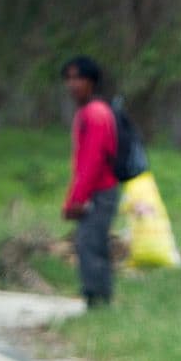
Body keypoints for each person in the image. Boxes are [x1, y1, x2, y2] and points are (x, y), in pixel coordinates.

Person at [60, 55, 120, 308]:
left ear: (92, 82)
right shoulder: (89, 112)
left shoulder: (95, 114)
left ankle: (98, 301)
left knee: (90, 245)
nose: (73, 84)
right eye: (69, 79)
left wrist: (76, 200)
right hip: (95, 191)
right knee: (90, 243)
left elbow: (92, 161)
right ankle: (97, 298)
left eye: (79, 78)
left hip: (100, 192)